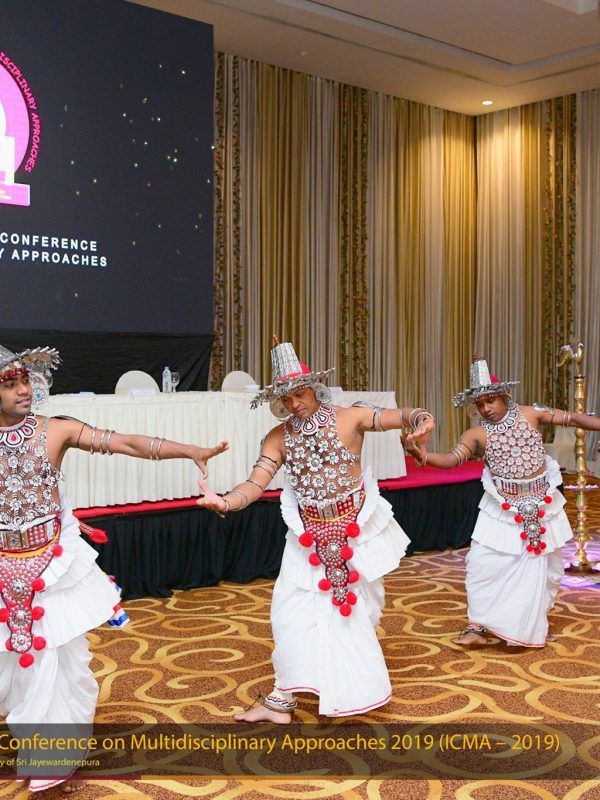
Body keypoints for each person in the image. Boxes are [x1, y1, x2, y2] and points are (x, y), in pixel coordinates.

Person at [0, 344, 228, 792]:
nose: (24, 390)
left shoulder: (55, 429)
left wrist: (189, 450)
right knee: (17, 662)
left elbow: (124, 442)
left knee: (56, 662)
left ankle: (51, 761)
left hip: (51, 565)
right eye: (10, 385)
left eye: (26, 381)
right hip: (4, 567)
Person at [197, 338, 434, 722]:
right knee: (287, 611)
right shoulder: (278, 438)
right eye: (286, 398)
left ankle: (354, 690)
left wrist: (423, 420)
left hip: (355, 530)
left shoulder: (352, 417)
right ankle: (282, 698)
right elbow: (255, 483)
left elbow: (404, 415)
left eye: (300, 394)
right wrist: (225, 502)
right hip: (307, 533)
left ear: (314, 388)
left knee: (359, 612)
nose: (294, 404)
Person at [415, 355, 600, 649]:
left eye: (490, 401)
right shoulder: (476, 434)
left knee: (545, 569)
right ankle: (477, 627)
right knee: (482, 564)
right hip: (502, 507)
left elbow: (574, 419)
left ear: (503, 395)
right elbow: (452, 459)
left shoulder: (532, 413)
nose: (486, 409)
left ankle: (531, 625)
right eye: (479, 405)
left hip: (541, 503)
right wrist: (423, 456)